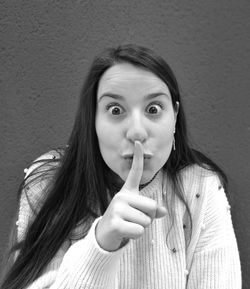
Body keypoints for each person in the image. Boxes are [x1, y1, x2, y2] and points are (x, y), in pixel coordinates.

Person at [1, 44, 241, 289]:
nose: (137, 131)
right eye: (115, 110)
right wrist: (101, 244)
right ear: (92, 119)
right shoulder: (49, 183)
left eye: (153, 109)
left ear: (175, 116)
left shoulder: (201, 187)